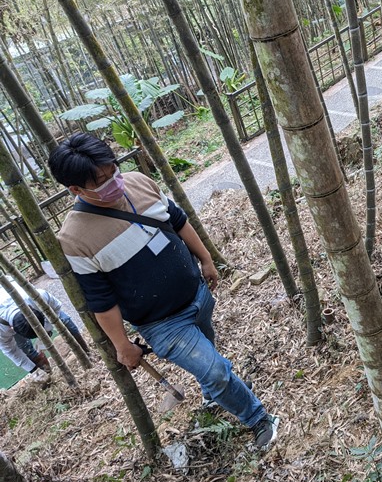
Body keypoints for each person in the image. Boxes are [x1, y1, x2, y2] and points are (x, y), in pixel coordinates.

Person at [47, 134, 279, 450]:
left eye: (113, 169)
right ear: (76, 189)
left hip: (196, 293)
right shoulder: (75, 238)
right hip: (162, 324)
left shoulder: (138, 182)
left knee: (209, 354)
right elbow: (100, 298)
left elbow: (179, 221)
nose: (114, 181)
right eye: (101, 180)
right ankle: (258, 418)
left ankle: (213, 395)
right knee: (217, 371)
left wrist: (206, 259)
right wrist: (122, 344)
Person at [0, 280, 86, 382]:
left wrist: (47, 330)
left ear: (34, 309)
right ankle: (46, 375)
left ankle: (85, 352)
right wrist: (33, 370)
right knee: (25, 347)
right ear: (12, 329)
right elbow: (11, 351)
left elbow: (56, 309)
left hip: (12, 287)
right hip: (6, 315)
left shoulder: (36, 296)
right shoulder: (2, 330)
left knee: (64, 320)